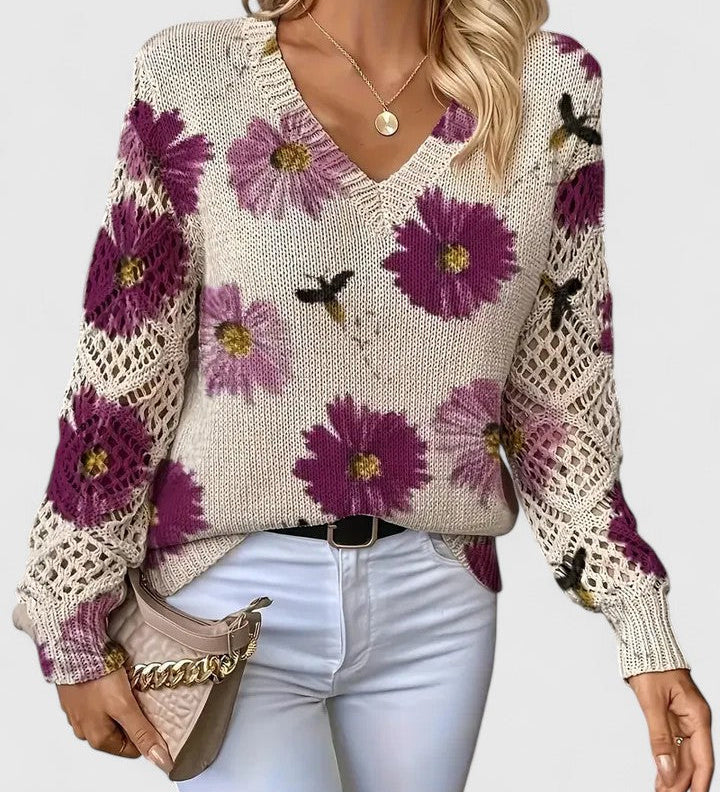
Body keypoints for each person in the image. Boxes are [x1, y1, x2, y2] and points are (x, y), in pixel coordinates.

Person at [11, 1, 714, 791]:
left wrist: (642, 625)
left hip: (437, 608)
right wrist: (71, 615)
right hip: (227, 606)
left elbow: (558, 400)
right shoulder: (194, 75)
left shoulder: (548, 86)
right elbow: (125, 367)